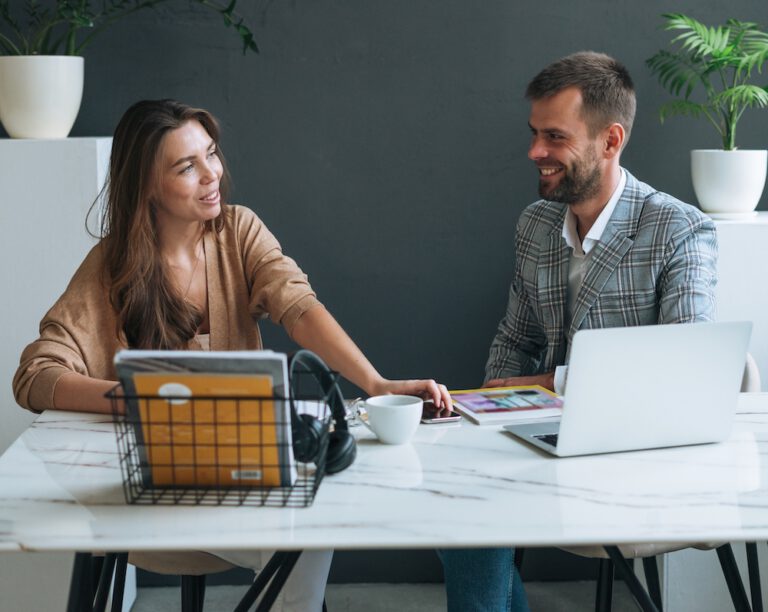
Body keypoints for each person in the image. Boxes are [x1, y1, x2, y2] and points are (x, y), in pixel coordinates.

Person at [13, 98, 452, 612]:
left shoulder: (239, 231)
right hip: (151, 496)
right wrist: (138, 400)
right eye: (187, 166)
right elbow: (35, 375)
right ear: (147, 185)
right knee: (301, 539)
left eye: (212, 154)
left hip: (243, 482)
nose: (211, 174)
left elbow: (299, 307)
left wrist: (377, 384)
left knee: (310, 523)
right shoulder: (112, 266)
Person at [438, 51, 717, 611]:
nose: (534, 152)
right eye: (535, 133)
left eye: (554, 137)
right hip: (538, 441)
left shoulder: (679, 229)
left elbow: (682, 373)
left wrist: (550, 384)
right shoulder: (536, 224)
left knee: (474, 514)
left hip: (633, 459)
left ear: (611, 141)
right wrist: (498, 405)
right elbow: (513, 340)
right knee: (452, 497)